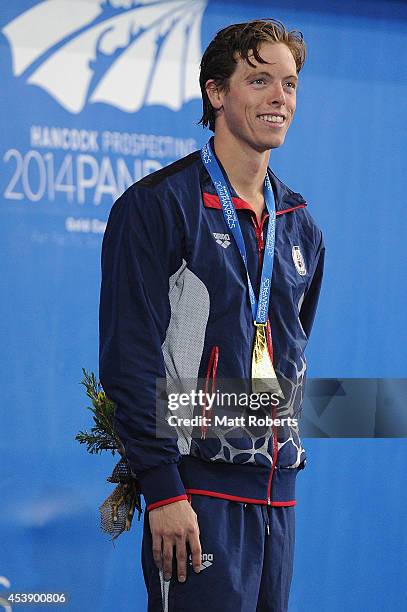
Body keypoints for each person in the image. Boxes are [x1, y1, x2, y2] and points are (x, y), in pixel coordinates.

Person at [99, 18, 325, 612]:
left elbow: (291, 362)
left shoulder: (300, 224)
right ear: (216, 92)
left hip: (278, 494)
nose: (280, 97)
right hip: (195, 491)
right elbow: (130, 359)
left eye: (291, 83)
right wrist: (163, 489)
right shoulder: (157, 207)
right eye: (259, 81)